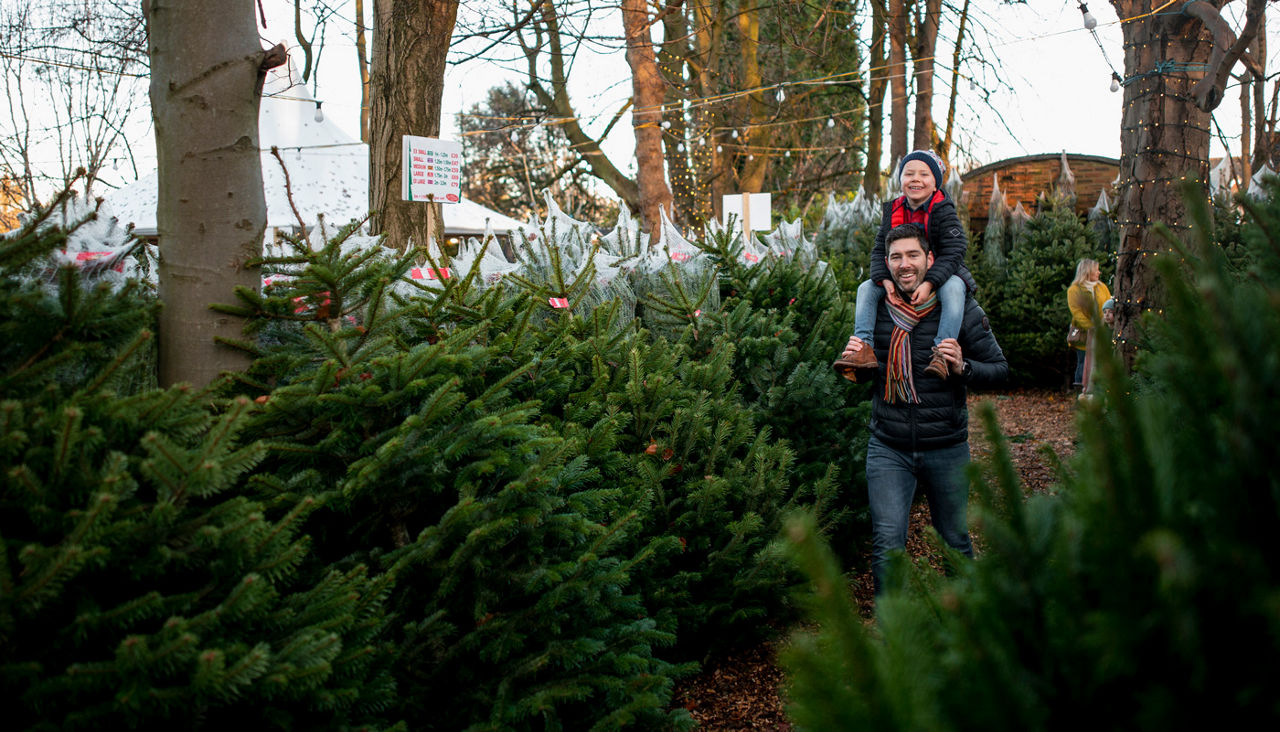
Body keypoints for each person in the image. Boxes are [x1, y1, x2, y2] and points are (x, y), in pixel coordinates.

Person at [839, 224, 1009, 595]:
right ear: (887, 263)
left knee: (955, 541)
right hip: (888, 446)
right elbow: (863, 380)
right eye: (896, 257)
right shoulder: (874, 309)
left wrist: (963, 367)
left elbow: (1000, 370)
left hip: (946, 446)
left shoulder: (959, 308)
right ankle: (894, 640)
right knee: (887, 547)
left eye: (912, 255)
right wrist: (856, 362)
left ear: (929, 260)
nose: (904, 264)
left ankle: (966, 629)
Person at [833, 150, 977, 381]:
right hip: (901, 274)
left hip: (941, 274)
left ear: (935, 183)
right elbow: (880, 248)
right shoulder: (893, 210)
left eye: (924, 174)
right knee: (866, 289)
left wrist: (930, 283)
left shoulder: (943, 211)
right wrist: (885, 280)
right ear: (900, 180)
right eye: (909, 173)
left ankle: (942, 352)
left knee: (953, 288)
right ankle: (863, 349)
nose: (916, 179)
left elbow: (955, 251)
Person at [1067, 258, 1111, 394]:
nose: (1099, 272)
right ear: (1087, 271)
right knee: (1083, 362)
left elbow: (1108, 305)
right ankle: (1080, 394)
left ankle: (1096, 393)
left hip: (1102, 332)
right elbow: (1076, 313)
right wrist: (1092, 327)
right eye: (1096, 269)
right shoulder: (1074, 290)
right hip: (1084, 334)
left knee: (1099, 363)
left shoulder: (1102, 287)